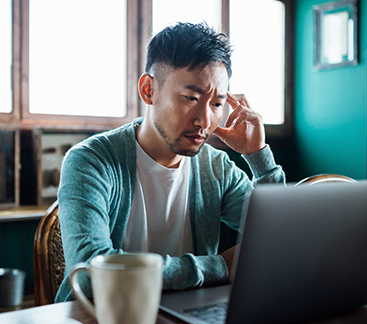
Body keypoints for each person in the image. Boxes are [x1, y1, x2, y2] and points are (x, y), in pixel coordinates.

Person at [55, 22, 285, 302]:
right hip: (99, 323)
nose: (204, 121)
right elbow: (92, 275)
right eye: (191, 98)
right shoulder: (91, 161)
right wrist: (220, 266)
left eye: (216, 104)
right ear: (148, 90)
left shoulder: (217, 168)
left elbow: (281, 239)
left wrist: (257, 155)